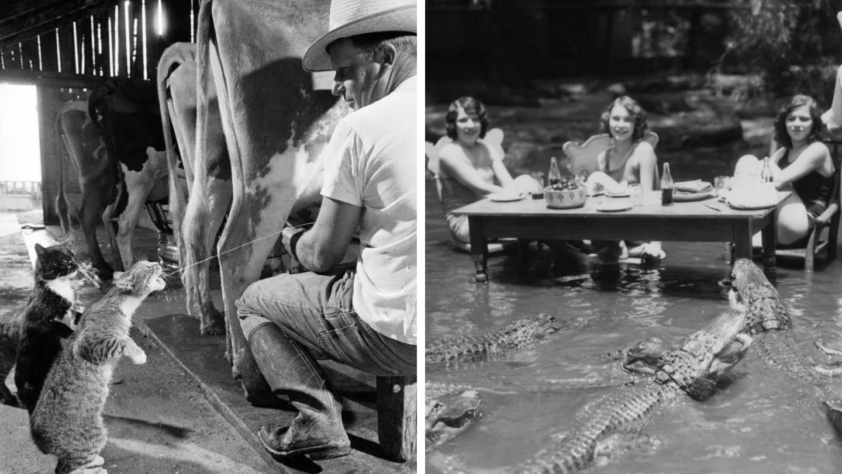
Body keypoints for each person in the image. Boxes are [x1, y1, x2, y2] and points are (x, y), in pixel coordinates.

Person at [235, 0, 416, 461]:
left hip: (395, 337)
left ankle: (315, 419)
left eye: (345, 71)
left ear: (386, 58)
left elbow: (321, 257)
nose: (336, 87)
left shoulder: (361, 126)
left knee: (253, 300)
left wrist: (290, 236)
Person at [734, 94, 834, 247]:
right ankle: (742, 225)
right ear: (784, 123)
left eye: (804, 119)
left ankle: (744, 225)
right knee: (747, 160)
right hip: (776, 220)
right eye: (791, 119)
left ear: (814, 123)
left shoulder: (818, 149)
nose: (796, 124)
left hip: (801, 224)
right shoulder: (783, 152)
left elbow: (779, 182)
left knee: (767, 169)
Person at [437, 96, 537, 244]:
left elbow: (508, 183)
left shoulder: (487, 148)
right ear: (453, 124)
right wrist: (518, 196)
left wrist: (521, 191)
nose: (470, 125)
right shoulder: (448, 153)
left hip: (491, 212)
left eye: (475, 119)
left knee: (527, 180)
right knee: (529, 221)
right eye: (463, 120)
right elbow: (481, 188)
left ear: (481, 122)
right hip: (466, 223)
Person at [587, 96, 665, 261]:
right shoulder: (603, 158)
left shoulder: (643, 151)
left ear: (636, 124)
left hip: (638, 227)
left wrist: (655, 243)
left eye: (627, 120)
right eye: (615, 119)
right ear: (608, 121)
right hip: (611, 229)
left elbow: (650, 201)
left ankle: (626, 248)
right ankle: (620, 248)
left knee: (596, 177)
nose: (620, 125)